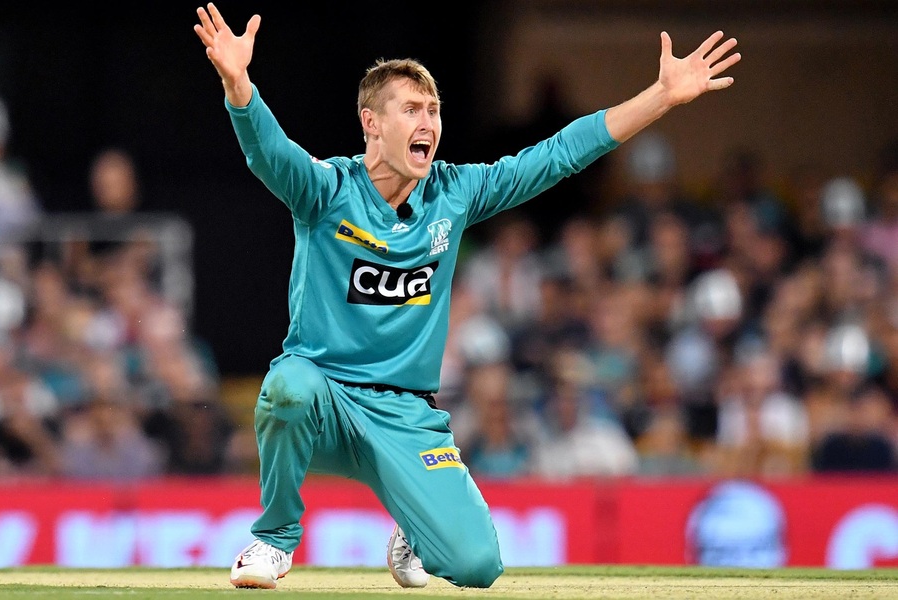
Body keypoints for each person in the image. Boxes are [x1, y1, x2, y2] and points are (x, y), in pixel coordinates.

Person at [193, 3, 741, 590]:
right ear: (371, 123)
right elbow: (269, 153)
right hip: (323, 402)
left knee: (478, 567)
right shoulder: (327, 190)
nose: (428, 122)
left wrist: (660, 97)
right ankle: (274, 540)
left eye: (433, 110)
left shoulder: (454, 194)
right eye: (411, 109)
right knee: (287, 386)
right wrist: (238, 84)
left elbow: (557, 155)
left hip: (406, 415)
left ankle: (414, 522)